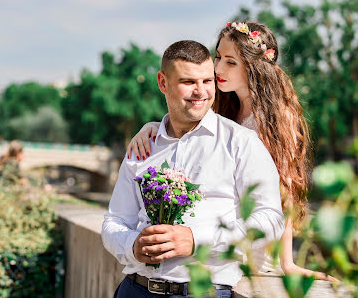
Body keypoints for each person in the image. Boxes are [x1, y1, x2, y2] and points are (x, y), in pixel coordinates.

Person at [127, 21, 338, 281]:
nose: (217, 69)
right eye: (217, 58)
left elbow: (284, 190)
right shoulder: (224, 107)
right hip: (214, 235)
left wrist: (287, 262)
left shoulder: (276, 117)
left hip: (246, 242)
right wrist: (151, 127)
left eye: (230, 62)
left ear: (253, 67)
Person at [102, 40, 285, 298]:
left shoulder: (241, 142)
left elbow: (270, 219)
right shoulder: (143, 146)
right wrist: (132, 245)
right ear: (163, 83)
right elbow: (115, 221)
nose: (201, 91)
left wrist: (196, 239)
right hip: (135, 289)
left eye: (207, 81)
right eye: (189, 82)